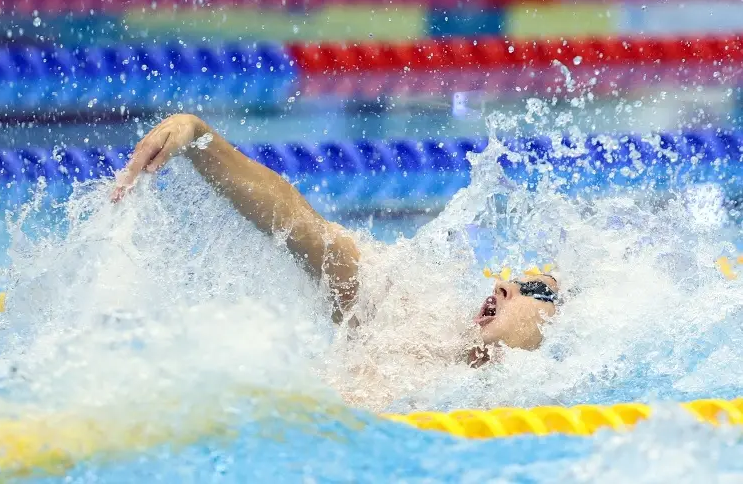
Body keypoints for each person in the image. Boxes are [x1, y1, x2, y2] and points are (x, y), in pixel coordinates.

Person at [112, 114, 559, 369]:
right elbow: (300, 225)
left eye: (536, 291)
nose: (503, 285)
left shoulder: (540, 404)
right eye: (516, 280)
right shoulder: (402, 310)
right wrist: (198, 136)